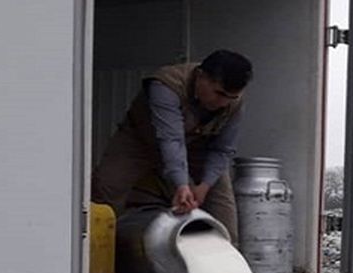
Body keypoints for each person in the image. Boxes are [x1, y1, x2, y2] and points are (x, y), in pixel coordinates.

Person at [91, 50, 253, 242]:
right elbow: (171, 139)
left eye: (230, 97)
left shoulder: (233, 102)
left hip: (198, 146)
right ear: (201, 76)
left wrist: (204, 186)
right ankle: (95, 255)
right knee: (108, 186)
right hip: (141, 140)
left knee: (222, 206)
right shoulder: (166, 84)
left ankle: (227, 260)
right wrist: (182, 185)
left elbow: (223, 149)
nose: (223, 102)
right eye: (218, 93)